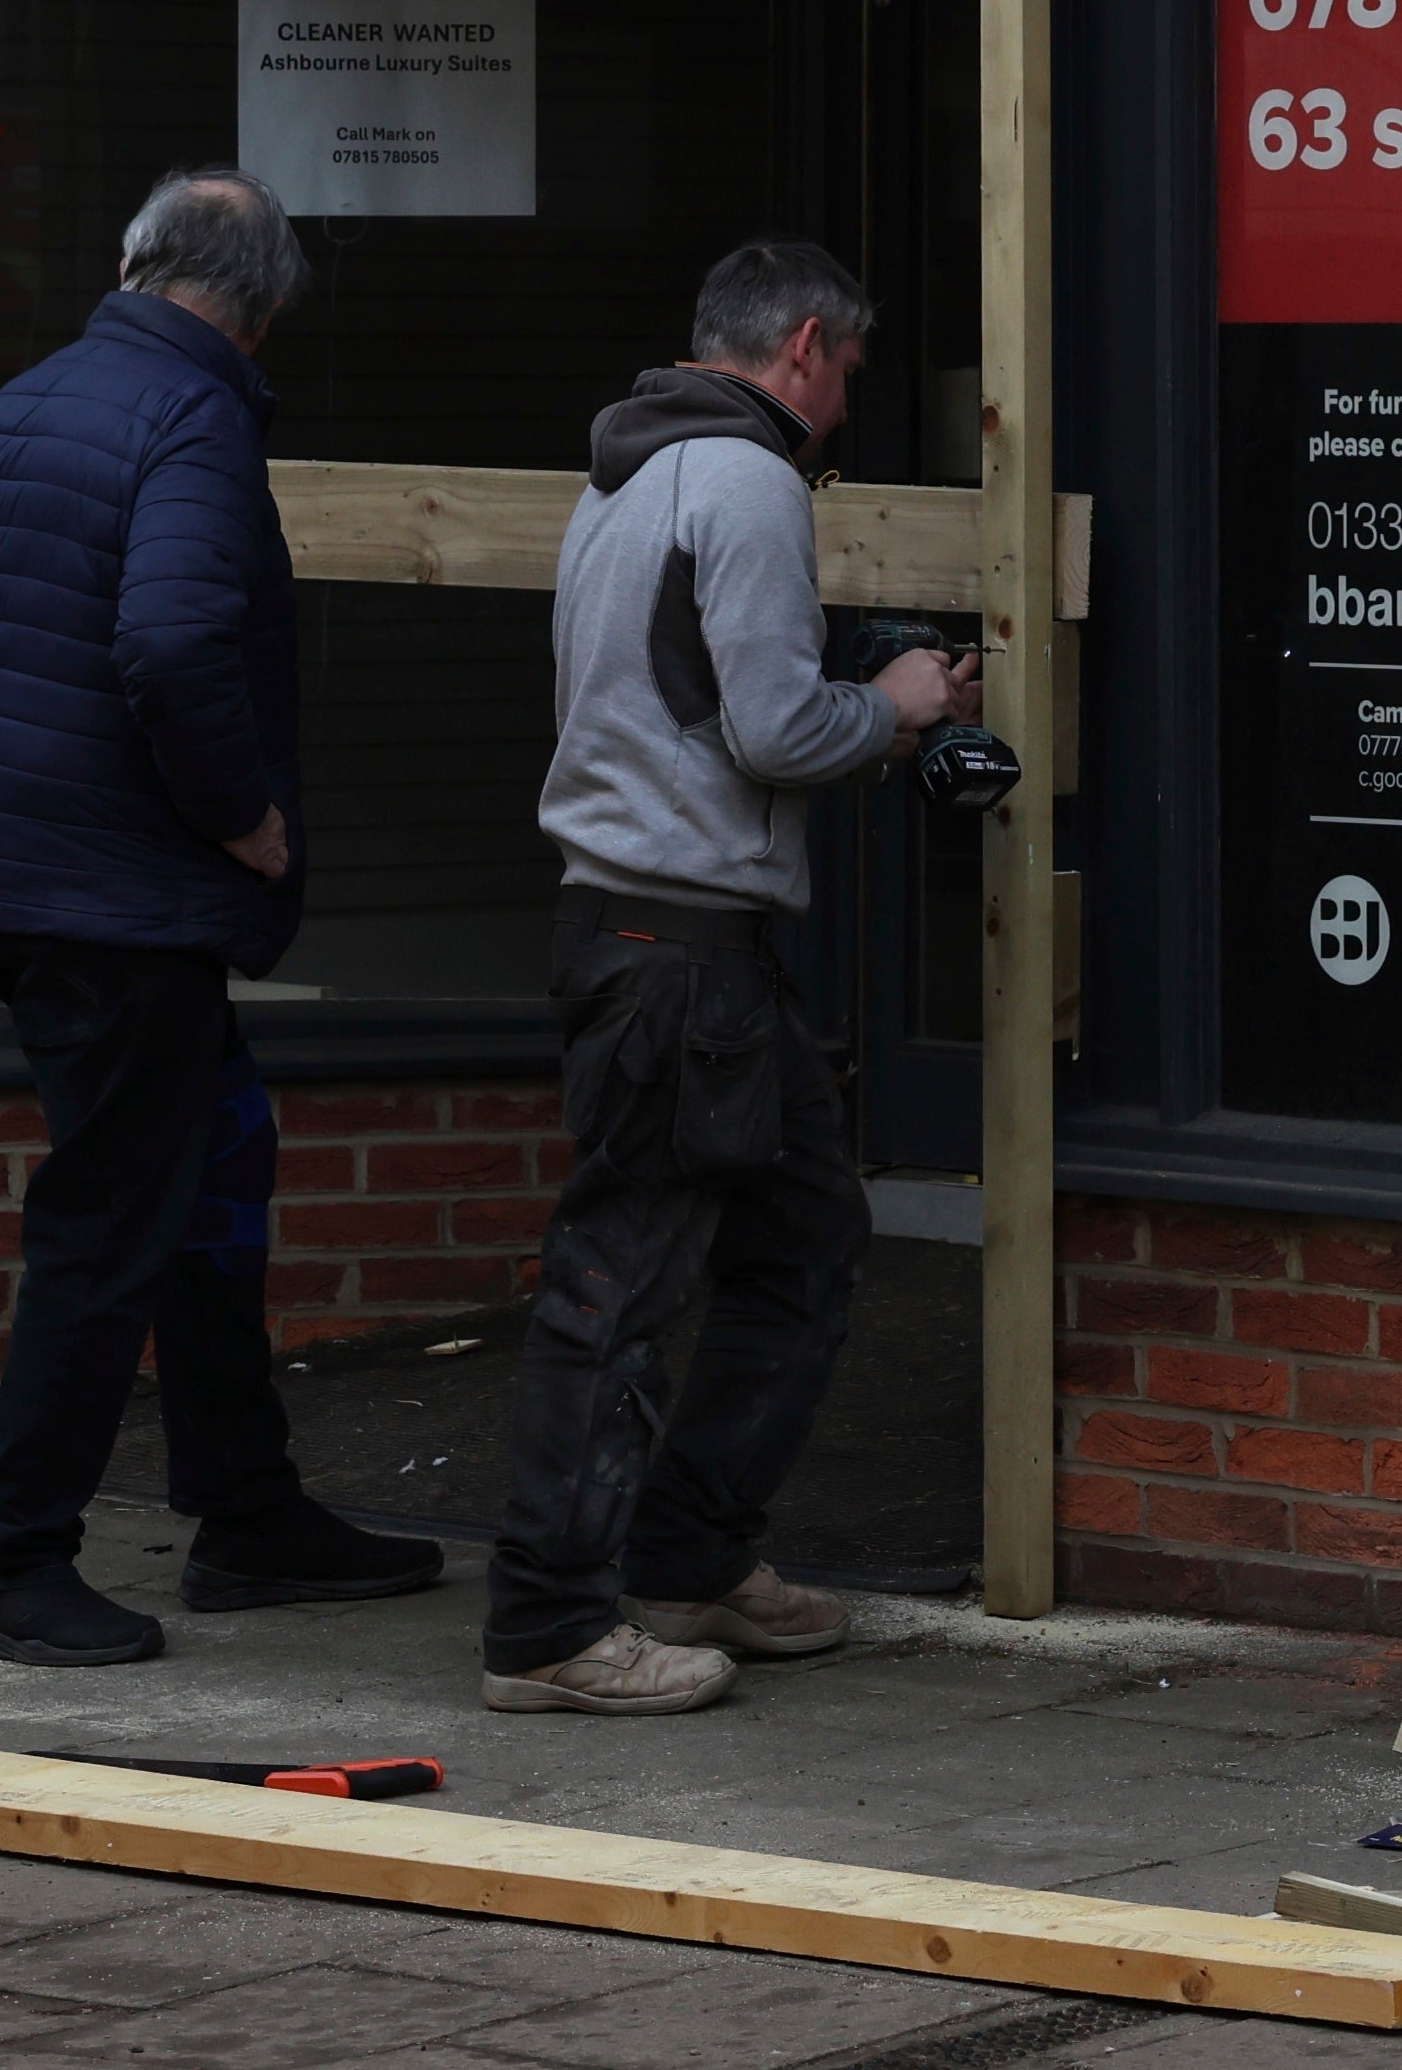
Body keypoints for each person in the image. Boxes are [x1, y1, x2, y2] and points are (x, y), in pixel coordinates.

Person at [0, 165, 449, 1666]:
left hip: (32, 884)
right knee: (109, 1226)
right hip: (125, 903)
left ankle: (249, 1512)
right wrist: (238, 819)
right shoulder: (192, 419)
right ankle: (9, 1567)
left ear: (135, 257)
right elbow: (166, 642)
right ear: (262, 305)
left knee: (212, 1179)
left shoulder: (20, 405)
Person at [476, 236, 976, 1716]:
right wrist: (894, 705)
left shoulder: (621, 472)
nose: (841, 413)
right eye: (847, 377)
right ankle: (550, 1627)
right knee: (617, 1286)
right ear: (806, 345)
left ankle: (689, 1559)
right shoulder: (745, 479)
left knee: (803, 1242)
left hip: (657, 939)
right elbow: (768, 730)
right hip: (679, 949)